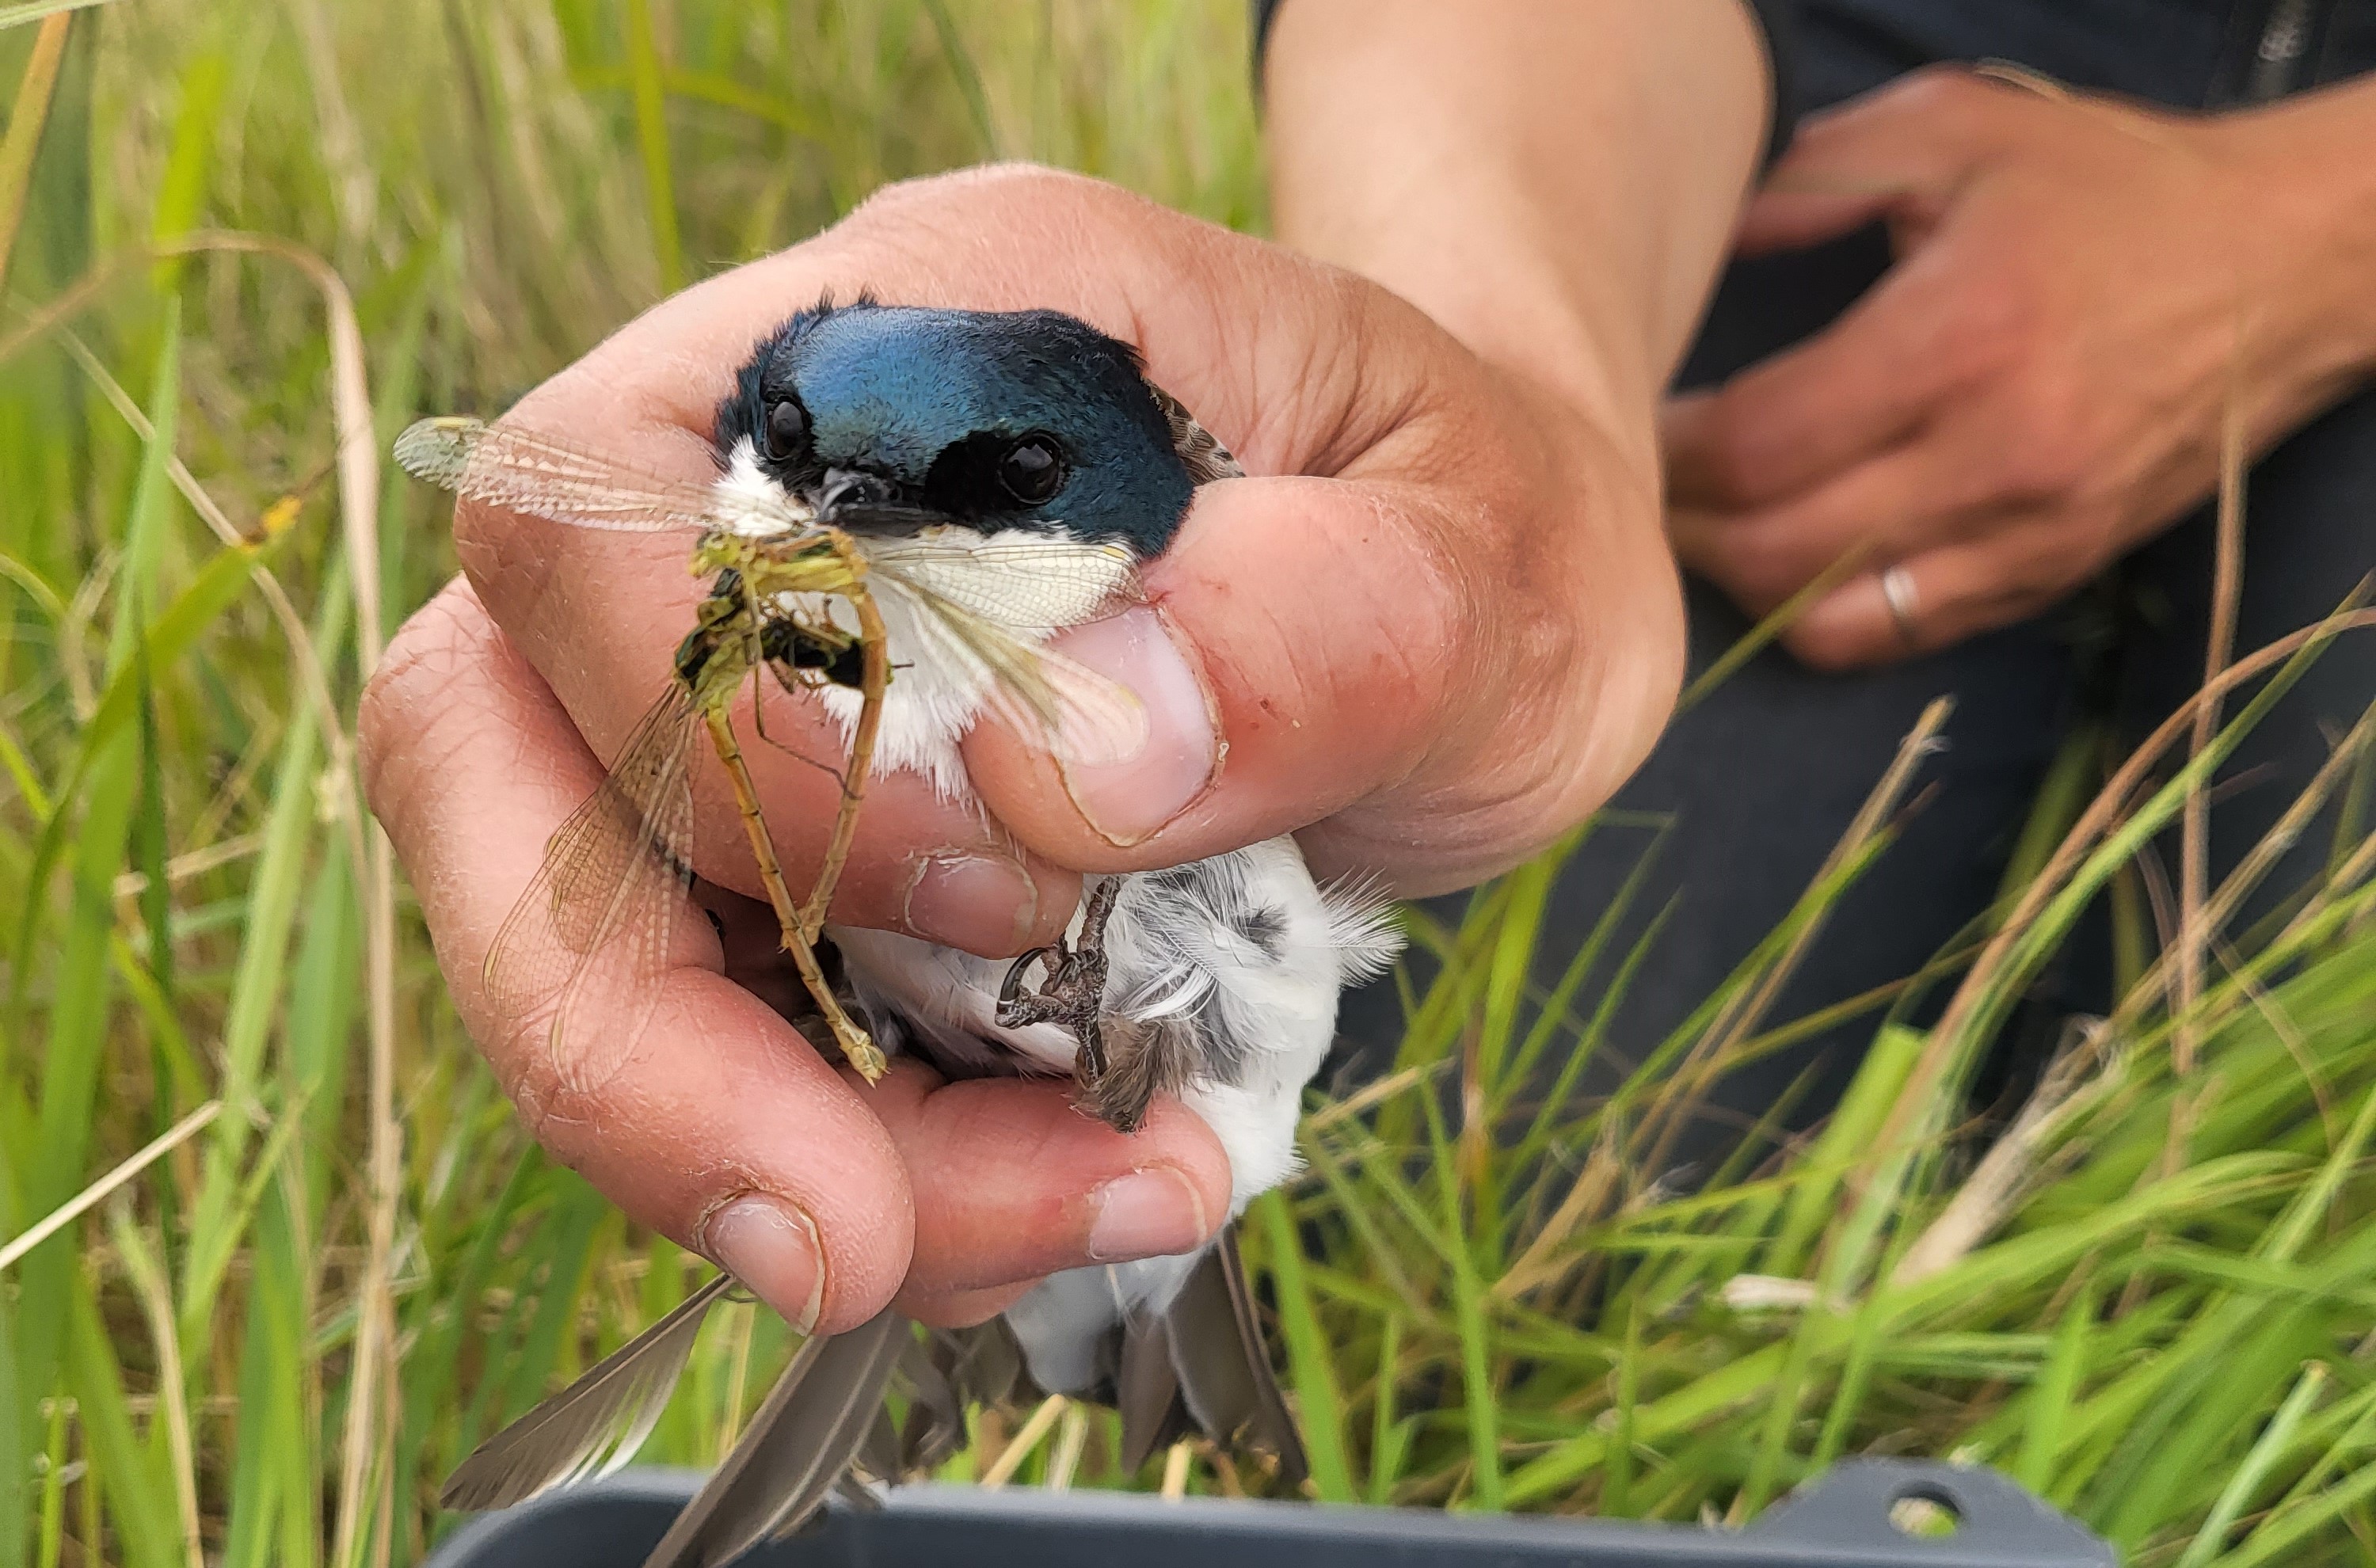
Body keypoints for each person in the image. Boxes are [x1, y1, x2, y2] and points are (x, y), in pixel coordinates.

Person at [359, 1, 2375, 1339]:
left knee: (2291, 1151)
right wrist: (1519, 401)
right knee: (1521, 1188)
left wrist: (2299, 239)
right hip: (1784, 135)